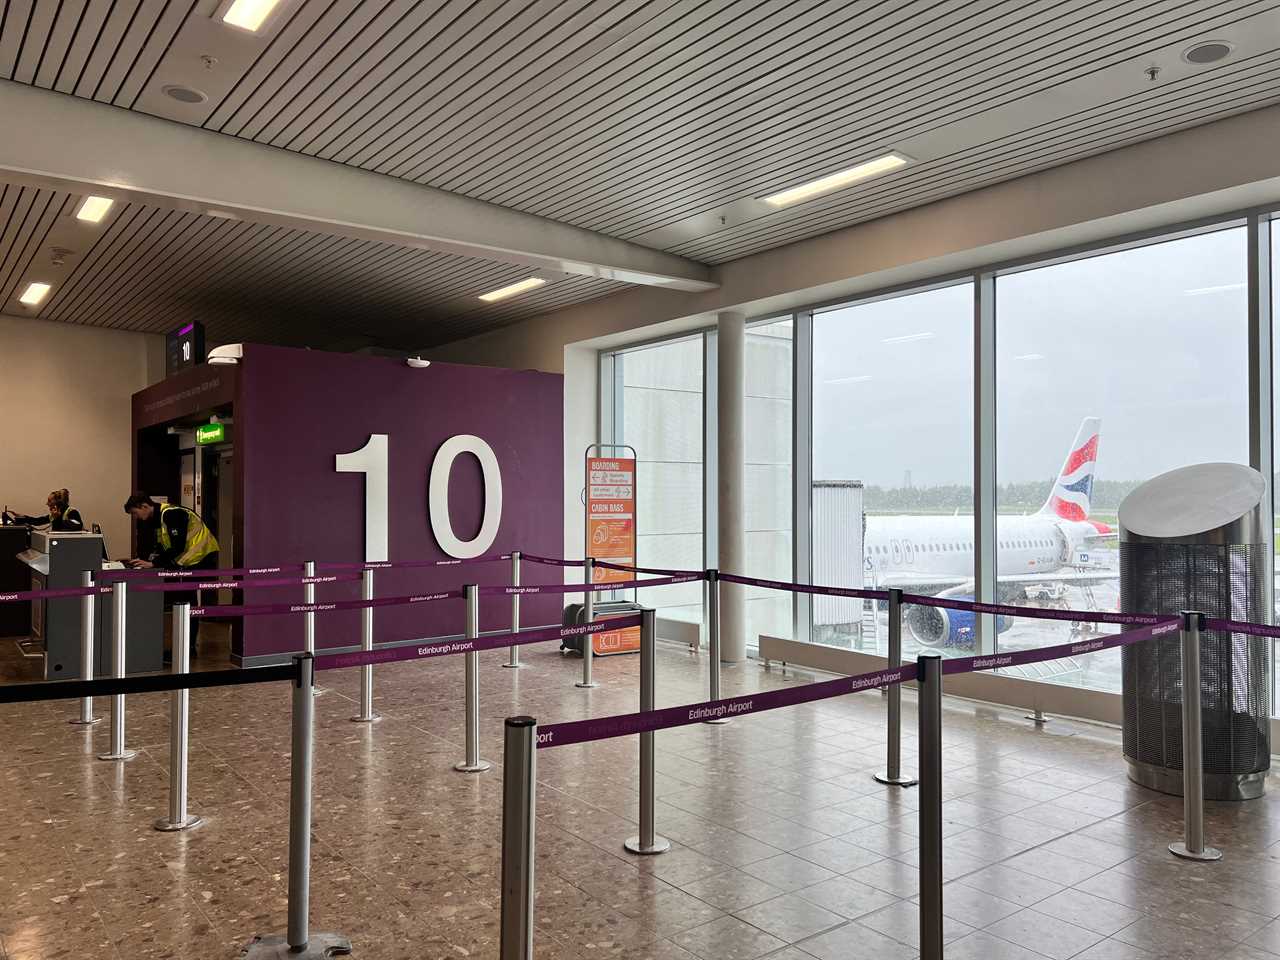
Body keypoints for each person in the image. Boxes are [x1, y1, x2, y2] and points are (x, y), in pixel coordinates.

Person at [123, 493, 219, 659]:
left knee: (188, 602)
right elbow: (164, 546)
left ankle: (187, 648)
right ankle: (183, 647)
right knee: (184, 601)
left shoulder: (172, 514)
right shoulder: (160, 518)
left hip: (201, 558)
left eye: (135, 513)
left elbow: (178, 546)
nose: (136, 517)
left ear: (144, 506)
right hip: (191, 560)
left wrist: (154, 564)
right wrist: (148, 560)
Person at [3, 489, 84, 531]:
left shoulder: (72, 512)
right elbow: (37, 521)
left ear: (57, 503)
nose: (47, 504)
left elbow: (77, 526)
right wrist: (22, 516)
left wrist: (57, 518)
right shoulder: (53, 515)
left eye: (49, 501)